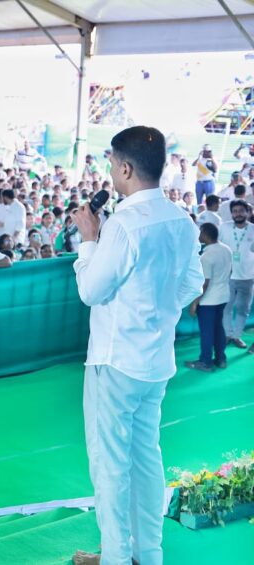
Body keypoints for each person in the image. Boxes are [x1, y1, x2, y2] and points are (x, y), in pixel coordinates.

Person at [71, 126, 204, 565]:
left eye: (111, 164)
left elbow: (91, 291)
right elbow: (192, 284)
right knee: (146, 459)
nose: (110, 172)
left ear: (126, 168)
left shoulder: (123, 225)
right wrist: (155, 314)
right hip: (155, 360)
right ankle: (148, 555)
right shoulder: (180, 219)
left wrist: (88, 241)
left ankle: (115, 557)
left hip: (115, 362)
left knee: (110, 465)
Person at [185, 223, 232, 372]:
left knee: (207, 332)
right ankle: (221, 359)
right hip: (223, 296)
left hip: (208, 300)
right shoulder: (226, 249)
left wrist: (194, 303)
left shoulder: (206, 256)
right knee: (218, 328)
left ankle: (205, 362)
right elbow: (230, 271)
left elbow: (204, 284)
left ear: (205, 234)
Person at [221, 200, 254, 350]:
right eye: (235, 211)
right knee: (226, 308)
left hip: (248, 277)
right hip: (227, 276)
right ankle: (227, 334)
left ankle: (237, 336)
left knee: (243, 309)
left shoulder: (253, 229)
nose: (238, 214)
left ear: (248, 212)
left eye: (241, 211)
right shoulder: (224, 227)